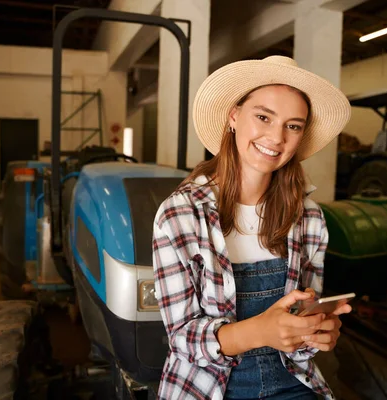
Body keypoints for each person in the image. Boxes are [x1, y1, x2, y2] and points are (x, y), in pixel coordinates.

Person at [151, 56, 353, 400]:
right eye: (263, 117)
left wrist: (315, 332)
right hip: (208, 387)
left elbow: (304, 312)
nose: (276, 138)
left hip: (294, 382)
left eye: (293, 126)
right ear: (234, 116)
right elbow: (182, 337)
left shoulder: (309, 217)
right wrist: (261, 331)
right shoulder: (181, 214)